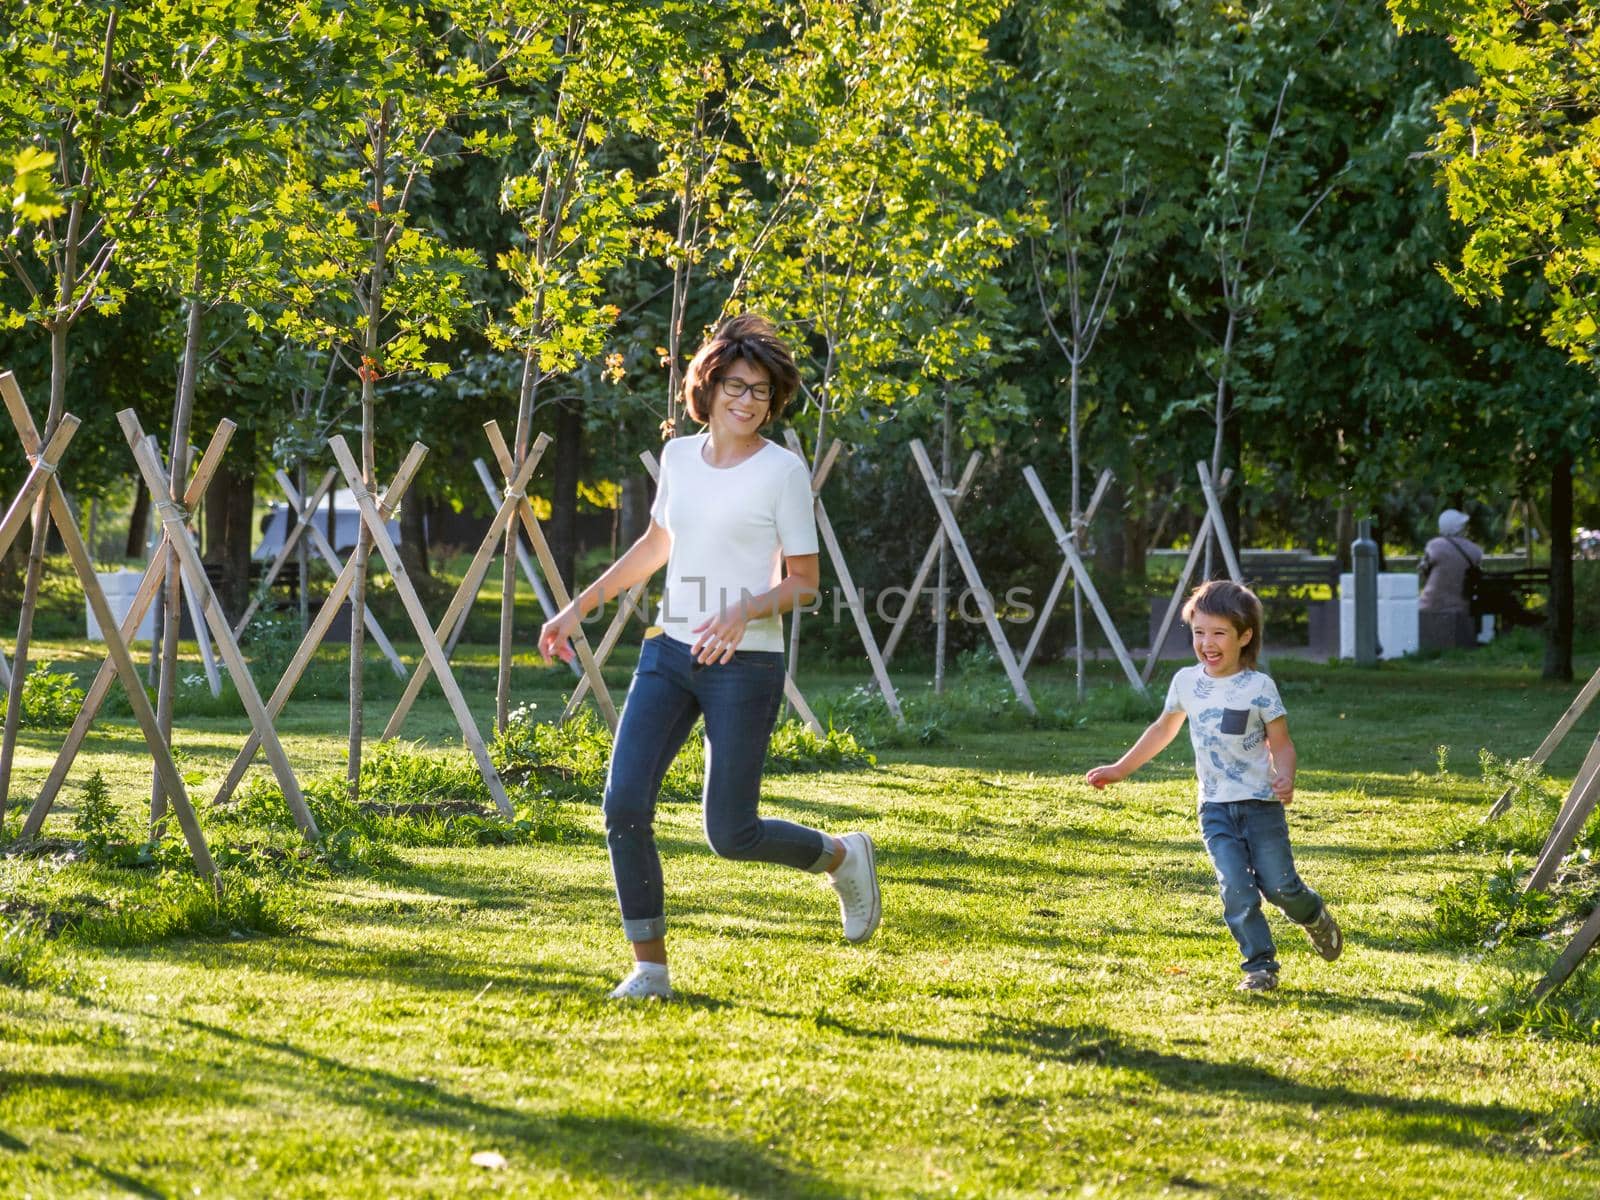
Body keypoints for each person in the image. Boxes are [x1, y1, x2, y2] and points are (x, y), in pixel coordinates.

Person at [537, 313, 881, 1002]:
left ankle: (843, 856)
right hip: (669, 651)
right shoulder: (678, 459)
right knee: (623, 802)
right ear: (709, 386)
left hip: (745, 664)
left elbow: (804, 582)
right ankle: (650, 969)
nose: (747, 400)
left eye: (760, 390)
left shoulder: (783, 473)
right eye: (735, 385)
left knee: (731, 833)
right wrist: (579, 607)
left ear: (774, 398)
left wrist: (741, 609)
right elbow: (657, 544)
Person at [1085, 580, 1341, 992]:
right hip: (1216, 808)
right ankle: (1260, 967)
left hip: (1260, 805)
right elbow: (1162, 729)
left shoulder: (1259, 688)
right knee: (1237, 889)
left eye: (1219, 632)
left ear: (1244, 636)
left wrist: (1286, 775)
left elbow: (1283, 744)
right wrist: (1120, 768)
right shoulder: (1186, 683)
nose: (1207, 642)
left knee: (1280, 887)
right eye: (1199, 632)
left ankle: (1313, 914)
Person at [1417, 508, 1483, 649]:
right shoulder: (1474, 550)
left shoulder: (1434, 546)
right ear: (1460, 528)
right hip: (1461, 607)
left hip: (1430, 605)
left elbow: (1423, 572)